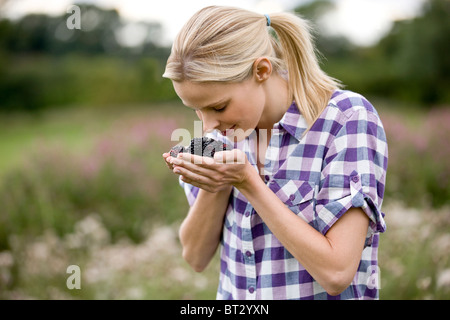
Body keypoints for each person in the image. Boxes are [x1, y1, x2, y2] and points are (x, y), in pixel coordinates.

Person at [162, 5, 388, 300]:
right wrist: (216, 183)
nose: (207, 127)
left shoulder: (345, 119)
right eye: (196, 109)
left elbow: (337, 273)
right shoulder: (226, 133)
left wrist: (247, 181)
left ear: (262, 70)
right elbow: (195, 257)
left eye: (218, 107)